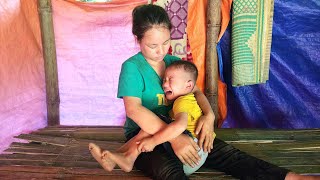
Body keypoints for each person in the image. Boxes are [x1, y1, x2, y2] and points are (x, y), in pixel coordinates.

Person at [89, 4, 318, 180]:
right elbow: (134, 109)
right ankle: (127, 156)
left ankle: (293, 177)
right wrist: (175, 137)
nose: (161, 51)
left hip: (182, 128)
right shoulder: (132, 67)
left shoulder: (173, 63)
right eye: (152, 46)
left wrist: (208, 117)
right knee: (167, 171)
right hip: (148, 134)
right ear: (137, 39)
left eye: (166, 42)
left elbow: (196, 92)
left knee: (226, 153)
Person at [89, 60, 216, 175]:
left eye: (170, 80)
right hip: (195, 153)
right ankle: (120, 156)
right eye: (164, 80)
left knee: (155, 121)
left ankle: (126, 156)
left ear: (188, 86)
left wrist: (153, 141)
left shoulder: (182, 102)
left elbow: (180, 126)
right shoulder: (188, 98)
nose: (165, 84)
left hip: (190, 152)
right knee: (152, 125)